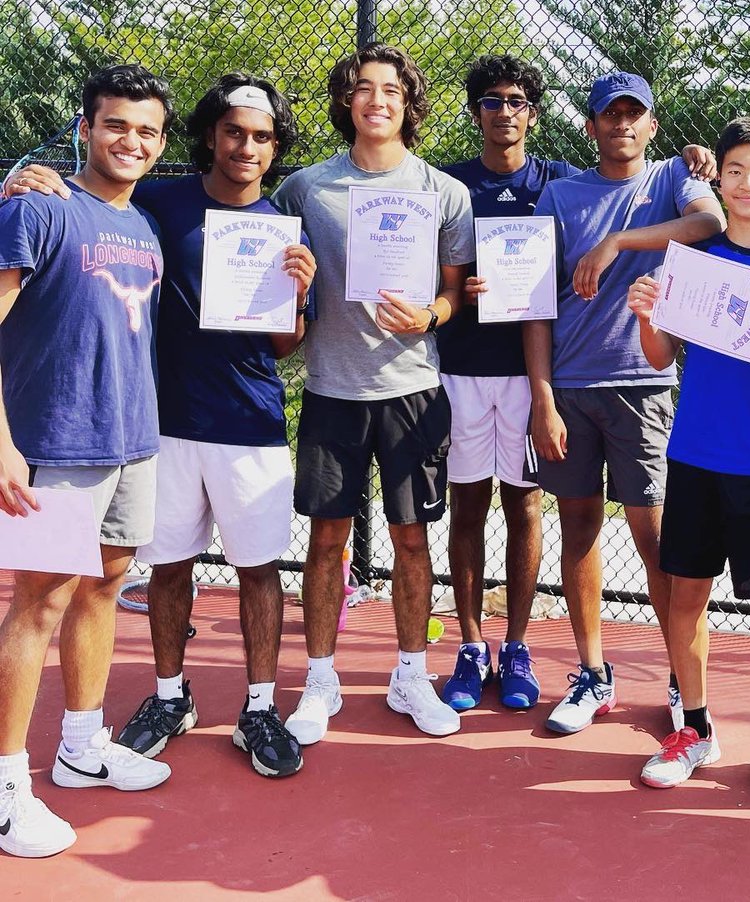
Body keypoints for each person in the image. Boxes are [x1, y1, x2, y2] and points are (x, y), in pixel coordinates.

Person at [5, 75, 318, 779]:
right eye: (233, 130)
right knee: (134, 576)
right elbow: (72, 212)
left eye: (262, 136)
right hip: (146, 427)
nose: (245, 146)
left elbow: (281, 346)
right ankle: (168, 699)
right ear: (210, 135)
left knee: (239, 572)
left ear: (274, 148)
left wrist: (295, 299)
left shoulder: (276, 231)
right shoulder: (151, 201)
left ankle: (256, 708)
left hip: (229, 425)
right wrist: (24, 179)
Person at [272, 43, 473, 741]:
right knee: (325, 541)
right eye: (363, 88)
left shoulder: (444, 192)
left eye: (391, 89)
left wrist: (431, 315)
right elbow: (264, 263)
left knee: (412, 539)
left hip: (413, 388)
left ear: (408, 103)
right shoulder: (303, 188)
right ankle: (319, 680)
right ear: (347, 101)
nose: (377, 99)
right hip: (331, 386)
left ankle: (410, 675)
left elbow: (453, 291)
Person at [0, 64, 174, 858]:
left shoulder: (143, 228)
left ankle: (81, 746)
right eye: (115, 125)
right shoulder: (38, 206)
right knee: (38, 605)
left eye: (145, 130)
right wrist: (1, 442)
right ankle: (6, 789)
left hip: (133, 440)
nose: (129, 141)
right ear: (83, 128)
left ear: (160, 142)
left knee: (106, 584)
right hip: (57, 443)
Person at [627, 117, 750, 810]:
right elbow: (658, 358)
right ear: (720, 178)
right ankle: (696, 728)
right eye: (734, 170)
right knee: (686, 594)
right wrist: (647, 313)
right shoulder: (694, 265)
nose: (747, 183)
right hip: (694, 455)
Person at [526, 72, 725, 734]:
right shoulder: (559, 195)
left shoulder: (673, 177)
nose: (621, 124)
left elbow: (711, 221)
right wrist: (542, 399)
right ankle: (592, 673)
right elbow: (532, 305)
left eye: (633, 114)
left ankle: (681, 678)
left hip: (644, 385)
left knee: (656, 537)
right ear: (590, 127)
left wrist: (617, 242)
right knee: (578, 528)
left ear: (651, 126)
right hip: (571, 389)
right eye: (609, 115)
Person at [436, 55, 580, 712]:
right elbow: (421, 276)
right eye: (491, 101)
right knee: (466, 507)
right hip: (462, 368)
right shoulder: (450, 187)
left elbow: (629, 186)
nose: (503, 111)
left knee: (524, 506)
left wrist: (690, 163)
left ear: (533, 113)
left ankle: (516, 644)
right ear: (475, 113)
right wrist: (455, 290)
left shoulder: (559, 183)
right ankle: (470, 644)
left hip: (531, 376)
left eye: (516, 101)